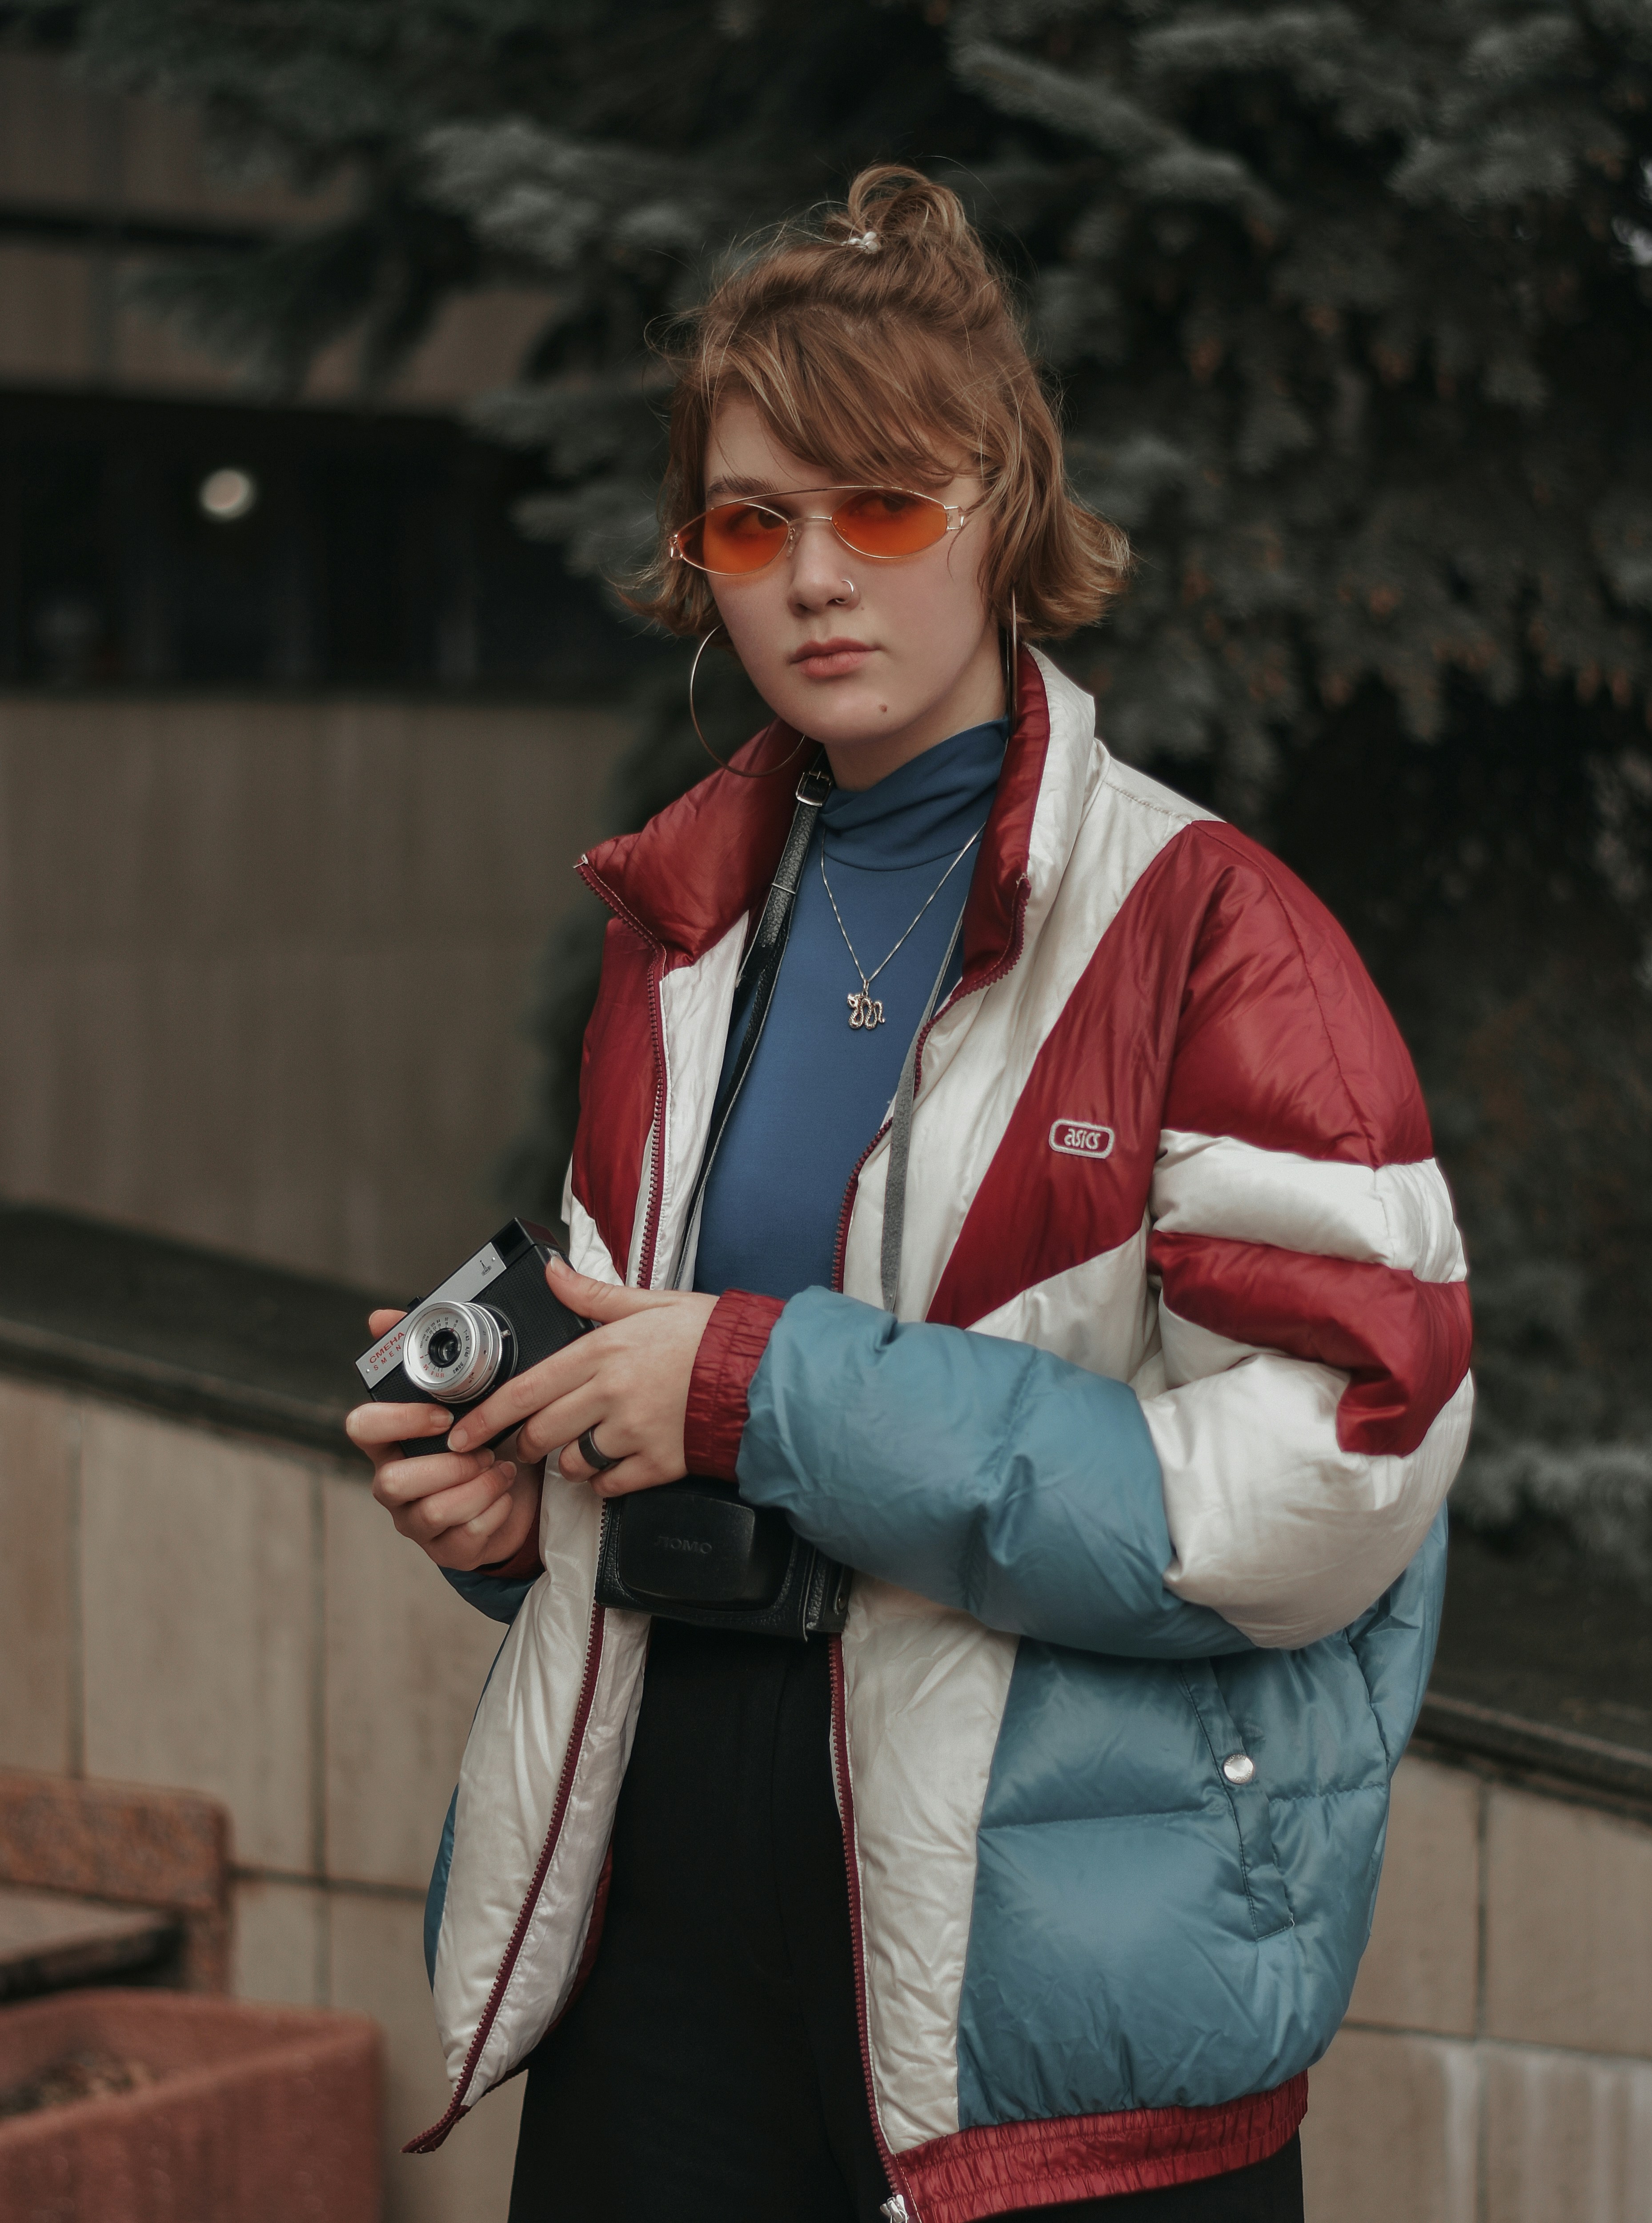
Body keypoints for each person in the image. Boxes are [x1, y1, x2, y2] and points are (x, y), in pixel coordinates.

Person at [346, 167, 1472, 2223]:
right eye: (751, 521)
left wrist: (761, 1390)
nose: (811, 577)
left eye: (880, 505)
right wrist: (527, 1506)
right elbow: (659, 1381)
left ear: (1006, 512)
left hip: (1042, 1977)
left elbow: (1337, 1474)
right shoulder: (681, 930)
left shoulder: (1213, 932)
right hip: (665, 1907)